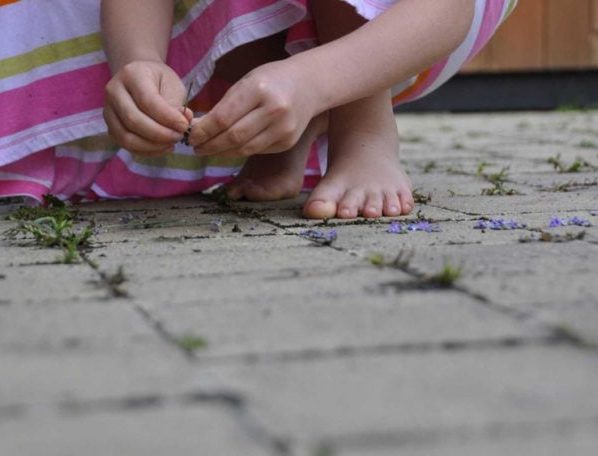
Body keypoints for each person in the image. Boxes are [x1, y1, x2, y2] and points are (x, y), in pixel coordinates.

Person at [0, 0, 517, 218]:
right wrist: (138, 62)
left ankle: (363, 132)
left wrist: (316, 80)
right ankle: (281, 130)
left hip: (412, 26)